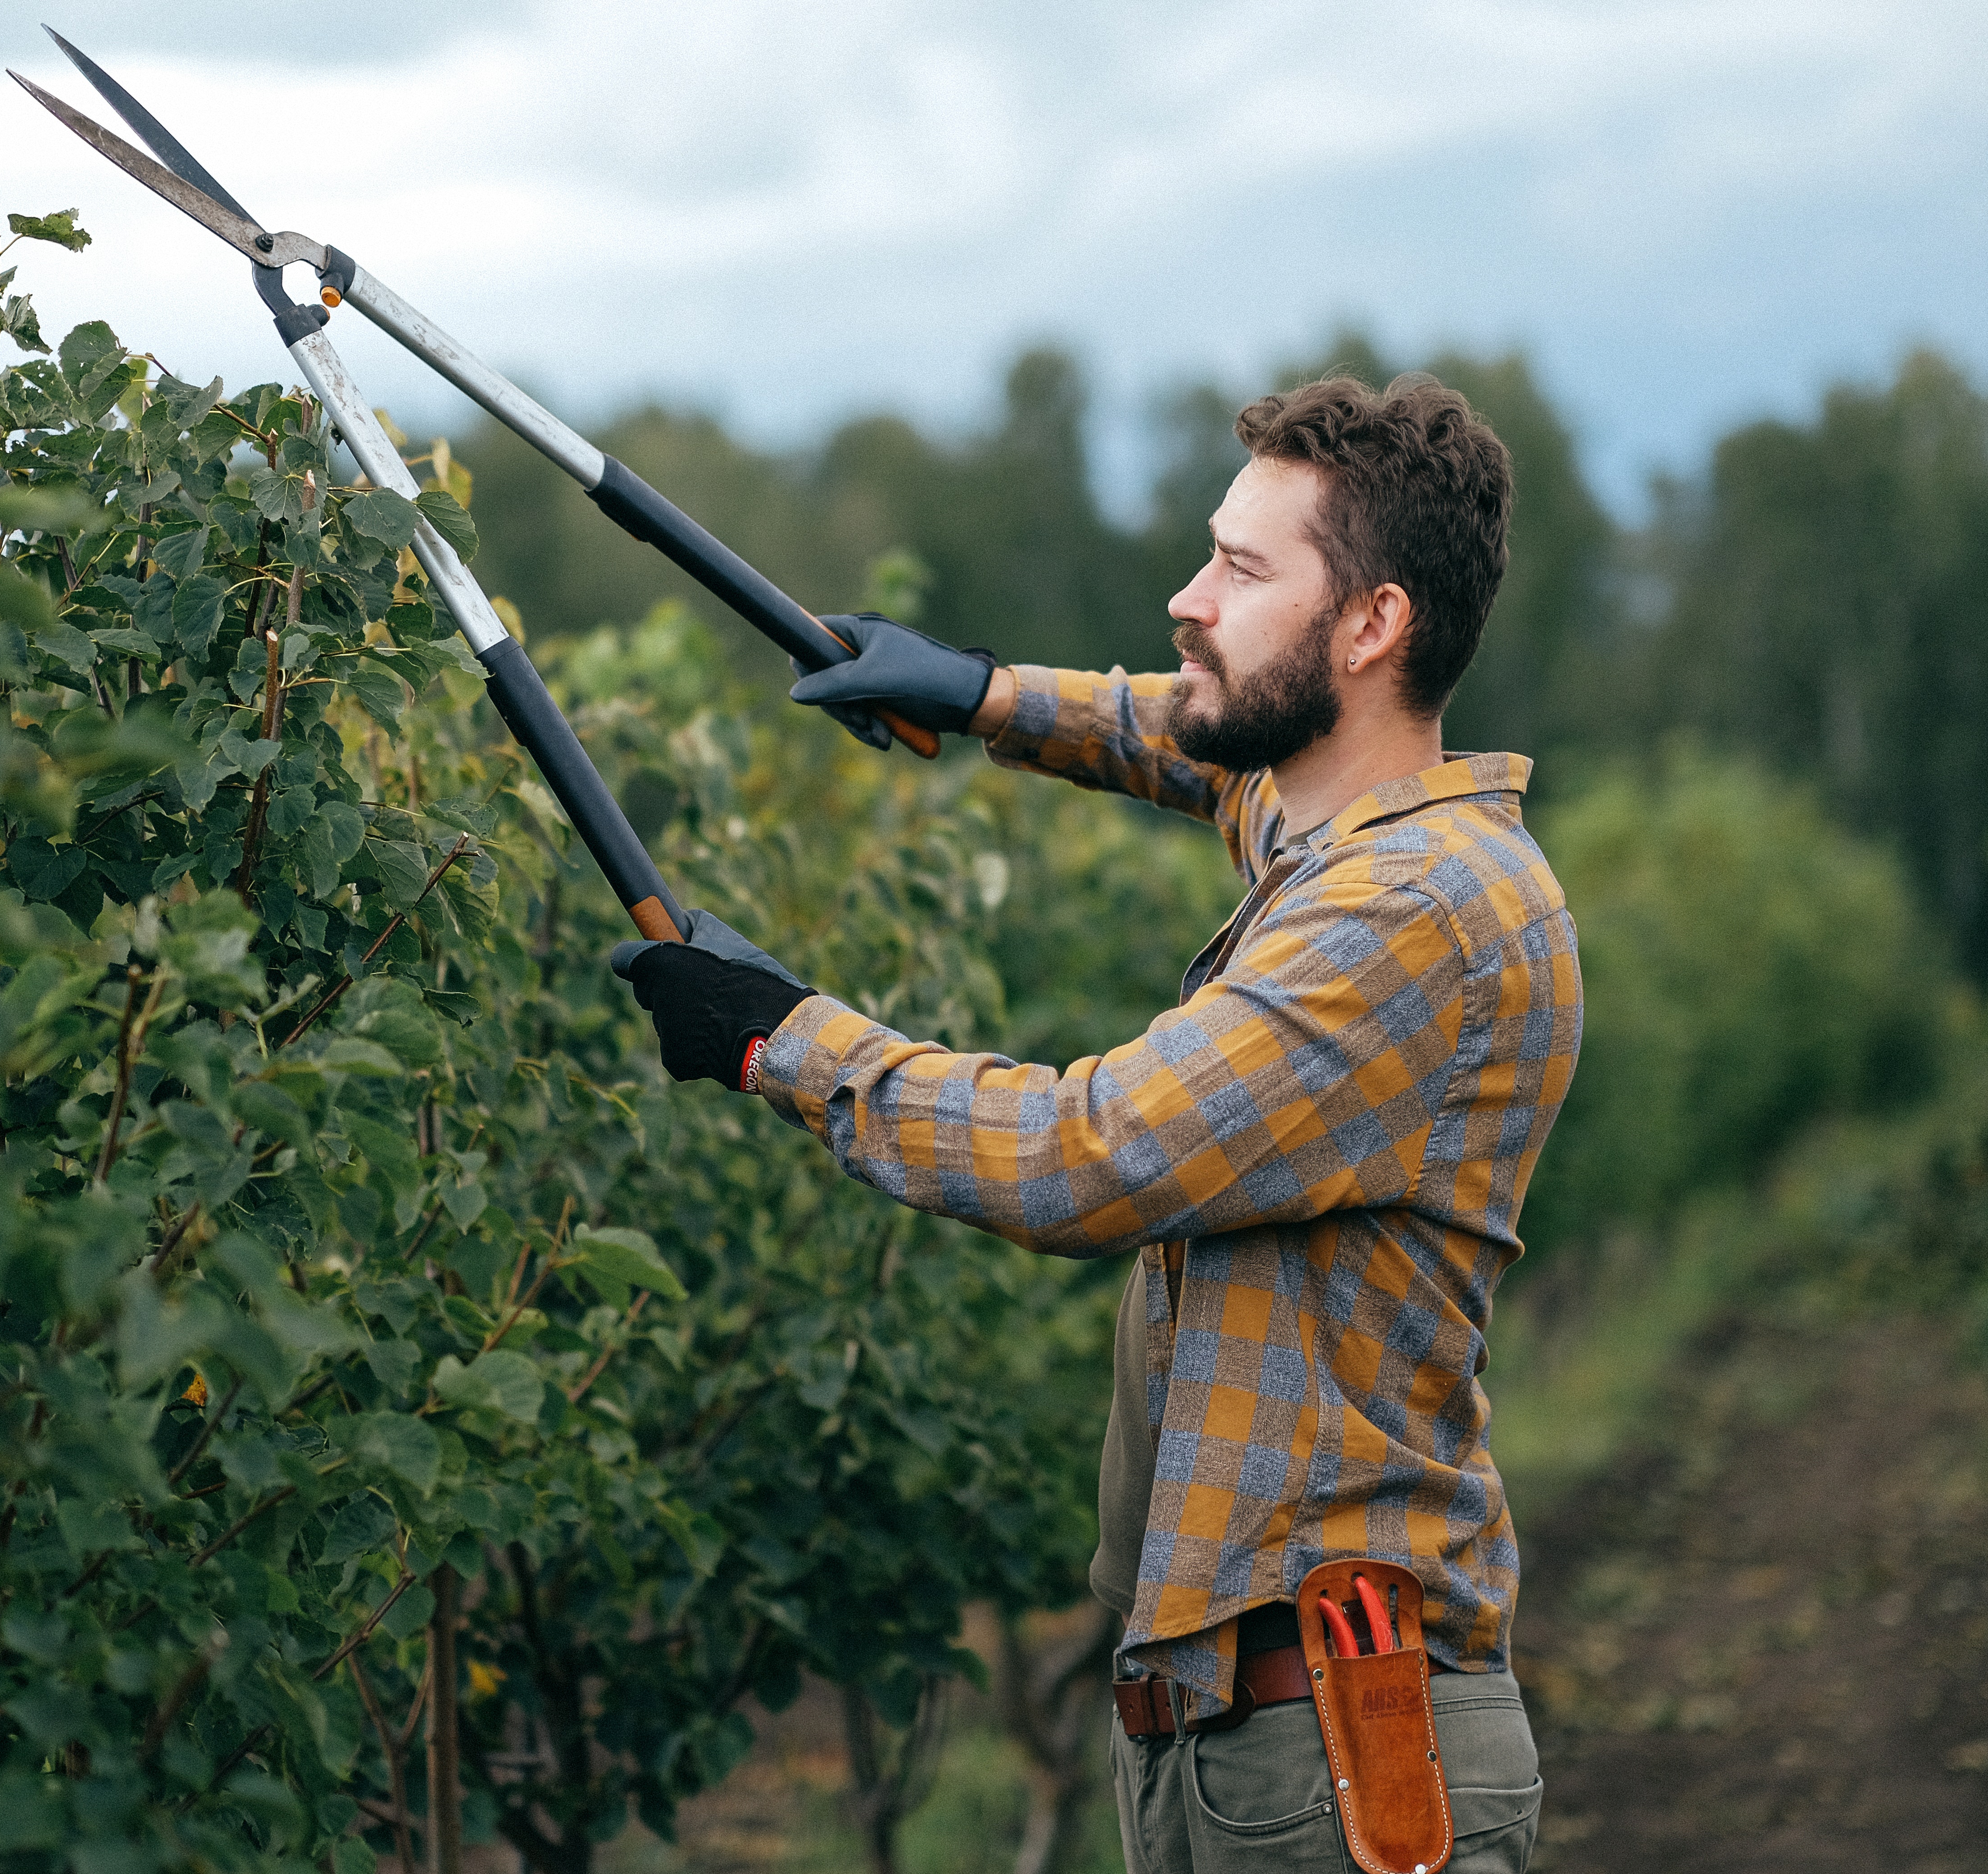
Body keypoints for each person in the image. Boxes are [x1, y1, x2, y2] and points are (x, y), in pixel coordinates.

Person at [613, 374, 1580, 1873]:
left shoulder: (1411, 915)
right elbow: (1190, 739)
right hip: (1248, 1742)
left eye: (1244, 573)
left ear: (1372, 625)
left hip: (1326, 1767)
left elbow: (1093, 1155)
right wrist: (988, 695)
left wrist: (782, 1041)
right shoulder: (1345, 823)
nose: (1188, 600)